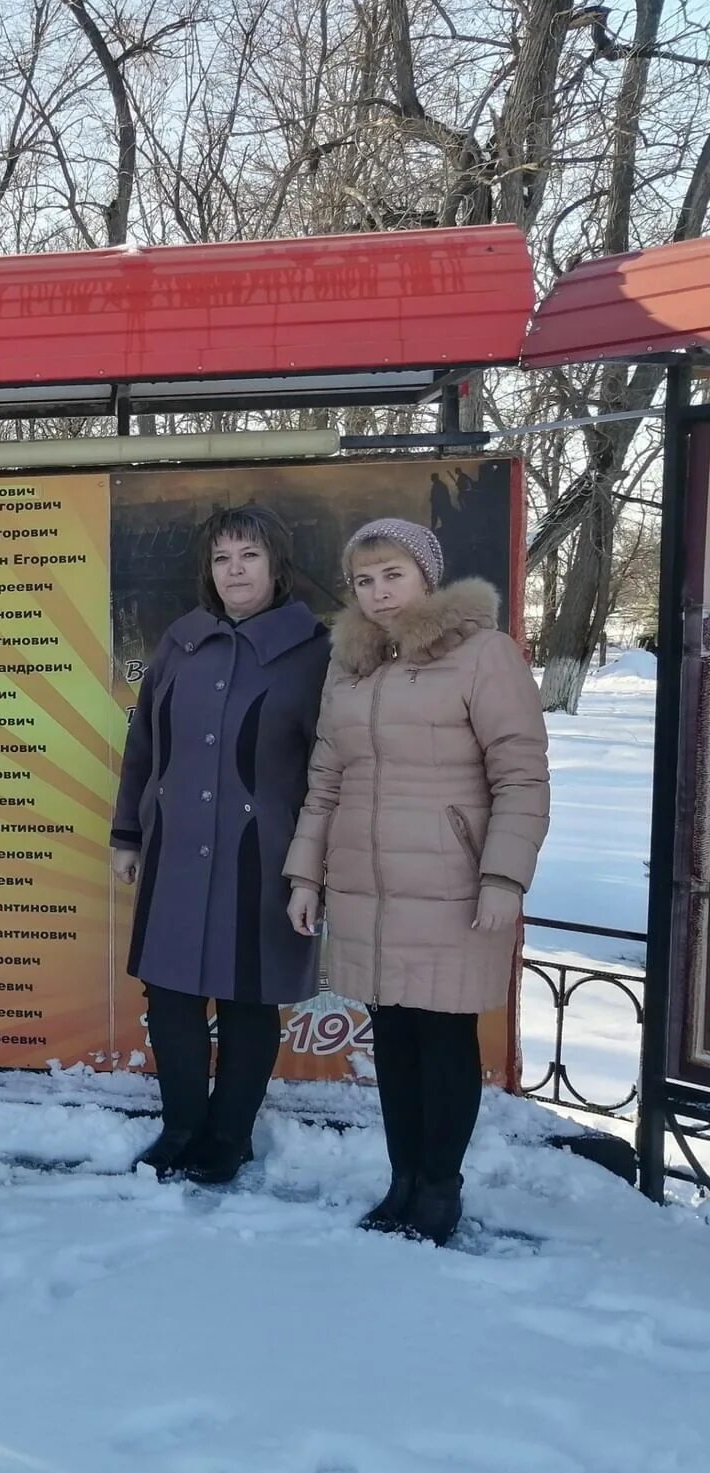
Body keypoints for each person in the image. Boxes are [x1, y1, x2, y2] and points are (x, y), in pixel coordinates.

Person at [285, 519, 549, 1245]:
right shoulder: (351, 667)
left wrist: (503, 875)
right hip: (369, 886)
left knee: (443, 1037)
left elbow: (521, 775)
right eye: (364, 581)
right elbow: (326, 779)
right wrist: (307, 873)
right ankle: (402, 1180)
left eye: (392, 575)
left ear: (426, 574)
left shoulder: (484, 655)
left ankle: (439, 1188)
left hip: (454, 885)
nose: (378, 593)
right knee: (394, 1039)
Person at [112, 504, 330, 1184]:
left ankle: (229, 1138)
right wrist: (127, 833)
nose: (235, 571)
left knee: (247, 1002)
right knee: (170, 998)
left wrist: (313, 867)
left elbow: (333, 765)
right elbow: (143, 744)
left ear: (277, 566)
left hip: (263, 856)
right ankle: (181, 1129)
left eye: (250, 557)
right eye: (222, 559)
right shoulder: (180, 644)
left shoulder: (315, 652)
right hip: (175, 850)